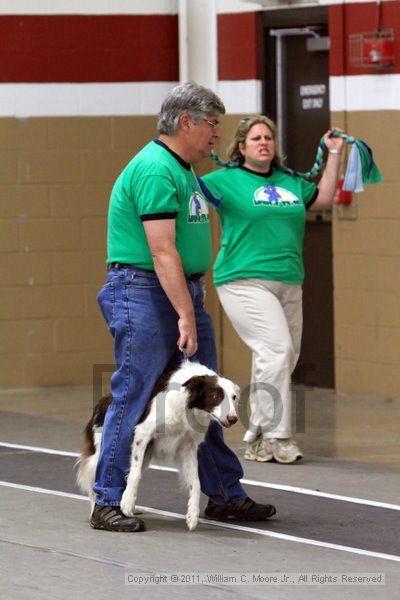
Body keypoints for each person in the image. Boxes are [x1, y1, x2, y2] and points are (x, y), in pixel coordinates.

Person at [91, 85, 277, 532]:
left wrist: (191, 300)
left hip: (177, 294)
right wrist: (186, 314)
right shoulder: (156, 169)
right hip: (145, 292)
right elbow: (162, 252)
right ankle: (107, 500)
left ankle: (224, 495)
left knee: (206, 399)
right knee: (133, 396)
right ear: (186, 122)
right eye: (213, 124)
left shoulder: (184, 169)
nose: (218, 134)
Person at [202, 116, 344, 464]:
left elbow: (324, 198)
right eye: (255, 138)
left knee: (280, 356)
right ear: (241, 147)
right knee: (277, 350)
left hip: (289, 279)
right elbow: (185, 198)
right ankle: (278, 436)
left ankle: (258, 437)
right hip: (242, 279)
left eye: (268, 137)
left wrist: (335, 154)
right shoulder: (223, 181)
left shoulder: (290, 182)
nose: (264, 142)